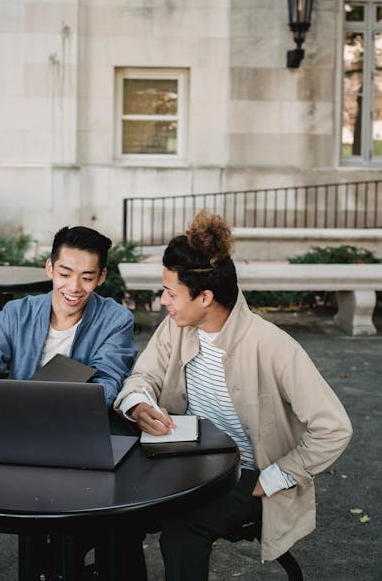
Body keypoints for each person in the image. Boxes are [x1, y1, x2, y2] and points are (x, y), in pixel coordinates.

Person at [115, 211, 353, 581]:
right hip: (183, 462)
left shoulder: (272, 345)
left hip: (244, 474)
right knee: (118, 511)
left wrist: (273, 478)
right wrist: (139, 403)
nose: (163, 301)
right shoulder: (177, 327)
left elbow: (334, 428)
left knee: (182, 529)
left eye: (171, 293)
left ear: (205, 296)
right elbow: (143, 375)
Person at [0, 225, 137, 581]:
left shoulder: (116, 320)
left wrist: (66, 408)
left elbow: (109, 382)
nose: (74, 288)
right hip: (14, 439)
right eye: (66, 273)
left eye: (87, 277)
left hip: (75, 443)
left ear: (101, 277)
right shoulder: (17, 313)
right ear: (49, 268)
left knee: (111, 524)